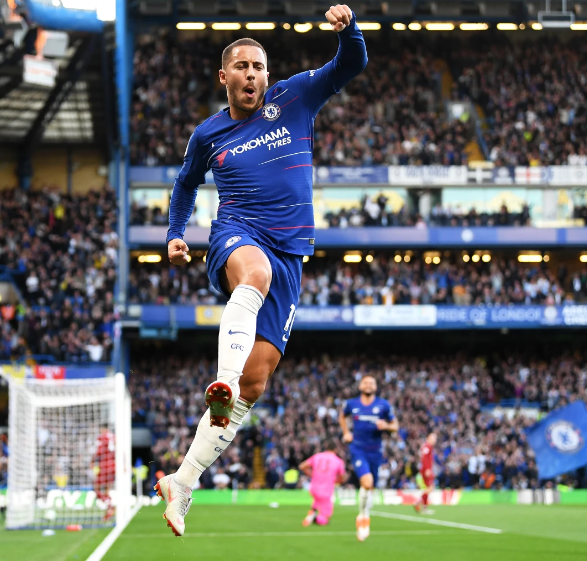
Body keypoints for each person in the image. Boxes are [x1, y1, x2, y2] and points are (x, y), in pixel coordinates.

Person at [157, 4, 367, 537]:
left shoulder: (294, 97)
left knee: (256, 380)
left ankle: (182, 482)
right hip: (238, 232)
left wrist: (349, 31)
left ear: (267, 76)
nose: (251, 74)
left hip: (291, 251)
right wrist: (176, 232)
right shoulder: (208, 134)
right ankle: (222, 383)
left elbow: (351, 64)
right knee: (255, 275)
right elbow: (185, 184)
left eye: (258, 67)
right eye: (241, 67)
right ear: (223, 77)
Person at [339, 375, 398, 542]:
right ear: (360, 386)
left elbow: (395, 426)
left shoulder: (383, 405)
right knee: (367, 482)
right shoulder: (351, 404)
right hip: (358, 449)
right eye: (365, 382)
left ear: (375, 387)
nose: (368, 385)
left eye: (372, 383)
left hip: (376, 452)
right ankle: (363, 517)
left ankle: (365, 513)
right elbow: (342, 416)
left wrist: (386, 426)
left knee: (370, 488)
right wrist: (346, 432)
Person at [300, 439, 347, 527]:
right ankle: (315, 518)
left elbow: (302, 466)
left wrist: (311, 474)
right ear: (335, 449)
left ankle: (312, 512)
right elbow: (342, 477)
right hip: (326, 490)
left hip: (314, 487)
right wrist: (337, 480)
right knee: (326, 518)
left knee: (317, 501)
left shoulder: (317, 456)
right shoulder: (338, 461)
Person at [92, 423, 116, 521]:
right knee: (107, 490)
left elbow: (99, 451)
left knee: (96, 488)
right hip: (114, 465)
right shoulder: (114, 437)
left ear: (103, 429)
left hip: (105, 465)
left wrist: (92, 461)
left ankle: (111, 506)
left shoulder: (101, 437)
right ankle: (109, 512)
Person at [414, 432, 437, 515]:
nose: (435, 440)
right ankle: (419, 502)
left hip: (425, 469)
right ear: (429, 438)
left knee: (428, 487)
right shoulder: (427, 446)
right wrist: (427, 469)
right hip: (426, 470)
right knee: (430, 488)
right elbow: (425, 458)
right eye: (434, 438)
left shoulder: (425, 446)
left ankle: (424, 507)